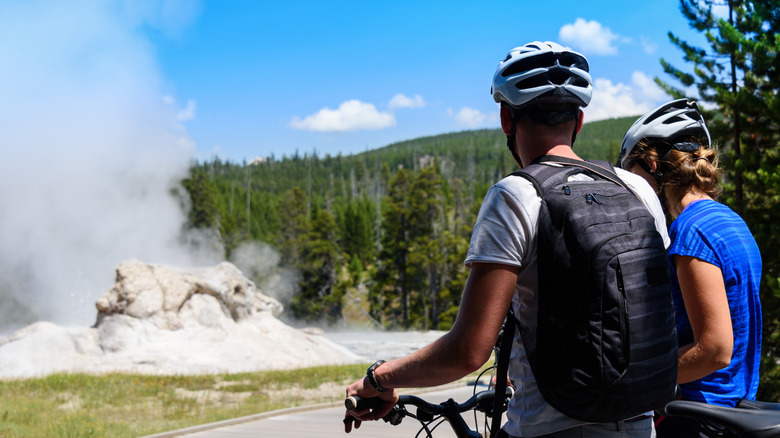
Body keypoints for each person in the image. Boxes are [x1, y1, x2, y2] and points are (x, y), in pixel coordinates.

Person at [344, 41, 671, 438]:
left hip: (549, 429)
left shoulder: (516, 195)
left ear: (505, 118)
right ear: (579, 120)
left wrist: (380, 379)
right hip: (642, 426)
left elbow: (468, 350)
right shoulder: (637, 187)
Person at [616, 99, 763, 437]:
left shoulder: (691, 230)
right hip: (732, 410)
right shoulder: (730, 220)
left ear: (652, 165)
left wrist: (639, 380)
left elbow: (714, 349)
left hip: (697, 415)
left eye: (632, 174)